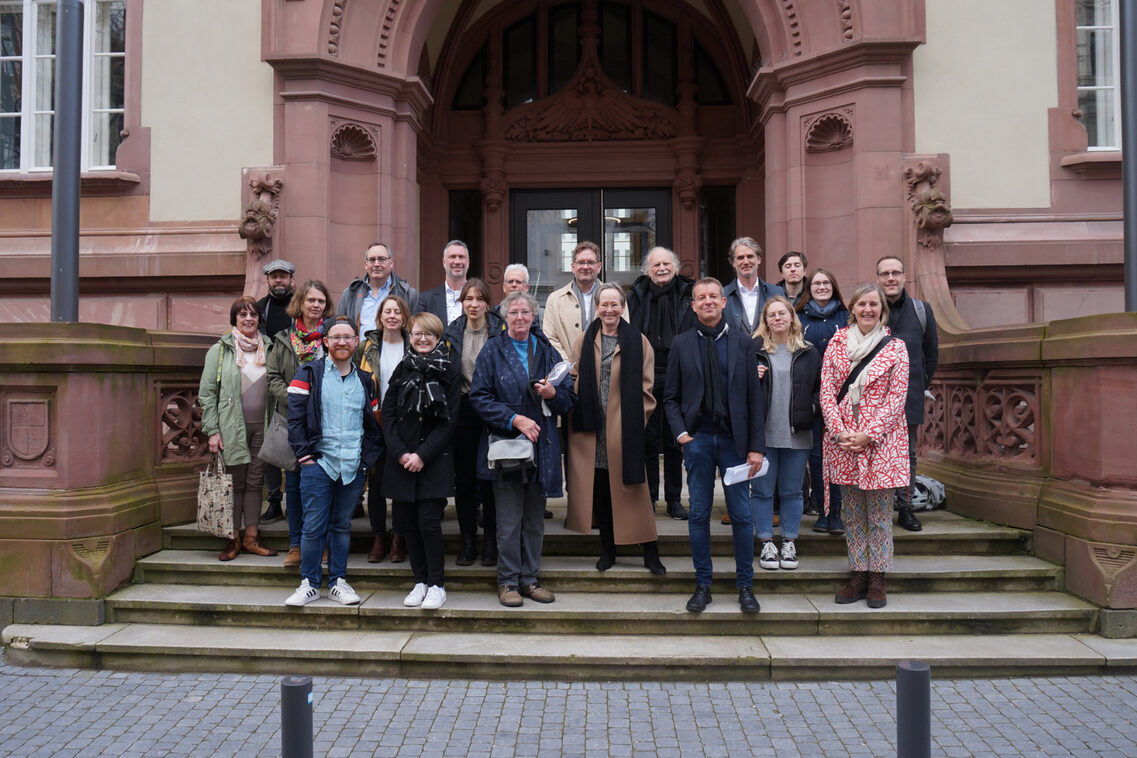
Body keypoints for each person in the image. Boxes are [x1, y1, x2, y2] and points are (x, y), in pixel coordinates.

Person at [664, 278, 766, 614]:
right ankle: (703, 584)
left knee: (740, 514)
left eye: (713, 296)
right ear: (693, 305)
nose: (707, 301)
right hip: (699, 441)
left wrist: (756, 447)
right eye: (700, 298)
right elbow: (671, 398)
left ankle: (745, 586)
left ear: (724, 302)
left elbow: (755, 399)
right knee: (698, 514)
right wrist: (682, 436)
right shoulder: (681, 344)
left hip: (736, 444)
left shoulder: (743, 343)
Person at [470, 291, 576, 607]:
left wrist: (552, 392)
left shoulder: (545, 350)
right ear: (505, 318)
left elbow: (568, 400)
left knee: (534, 520)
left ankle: (530, 580)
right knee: (508, 520)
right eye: (514, 312)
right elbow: (479, 398)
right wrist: (514, 419)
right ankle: (507, 582)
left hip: (541, 447)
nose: (520, 318)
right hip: (507, 448)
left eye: (525, 313)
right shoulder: (492, 351)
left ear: (533, 317)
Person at [820, 284, 910, 609]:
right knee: (854, 514)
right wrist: (840, 431)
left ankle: (878, 579)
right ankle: (858, 574)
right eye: (862, 304)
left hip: (880, 445)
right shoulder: (836, 342)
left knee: (881, 516)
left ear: (881, 309)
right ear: (853, 308)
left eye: (874, 304)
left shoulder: (896, 348)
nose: (868, 309)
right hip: (843, 443)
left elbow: (897, 399)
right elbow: (827, 390)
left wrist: (868, 434)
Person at [566, 283, 665, 575]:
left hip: (625, 430)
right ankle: (608, 548)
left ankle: (650, 551)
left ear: (623, 307)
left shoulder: (639, 341)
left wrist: (633, 422)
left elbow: (648, 389)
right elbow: (573, 377)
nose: (609, 310)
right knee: (602, 490)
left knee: (635, 491)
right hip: (591, 430)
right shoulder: (584, 339)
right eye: (603, 304)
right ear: (596, 307)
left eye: (615, 304)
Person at [284, 317, 383, 607]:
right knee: (313, 526)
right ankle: (310, 583)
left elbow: (373, 424)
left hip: (352, 465)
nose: (342, 342)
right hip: (319, 464)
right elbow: (295, 419)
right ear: (325, 341)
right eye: (336, 337)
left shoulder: (365, 380)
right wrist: (304, 457)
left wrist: (366, 461)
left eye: (348, 337)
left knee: (341, 525)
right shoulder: (309, 373)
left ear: (356, 342)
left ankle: (338, 581)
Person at [382, 312, 461, 611]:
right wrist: (401, 453)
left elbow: (449, 421)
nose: (422, 339)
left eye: (429, 334)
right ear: (410, 336)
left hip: (433, 459)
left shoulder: (448, 370)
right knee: (407, 525)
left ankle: (437, 584)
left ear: (438, 337)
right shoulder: (403, 367)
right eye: (417, 334)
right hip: (401, 460)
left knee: (429, 523)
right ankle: (419, 581)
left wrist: (421, 455)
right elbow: (388, 414)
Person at [198, 296, 279, 561]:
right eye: (242, 314)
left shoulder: (270, 347)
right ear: (234, 319)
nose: (248, 319)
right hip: (231, 428)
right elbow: (208, 394)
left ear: (259, 319)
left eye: (253, 314)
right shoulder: (220, 351)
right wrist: (213, 431)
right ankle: (231, 539)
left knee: (256, 482)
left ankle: (251, 538)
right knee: (235, 483)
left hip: (262, 428)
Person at [266, 280, 334, 567]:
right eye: (310, 300)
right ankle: (296, 545)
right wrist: (297, 399)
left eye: (320, 301)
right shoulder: (283, 339)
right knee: (293, 486)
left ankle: (323, 545)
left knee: (323, 486)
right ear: (300, 304)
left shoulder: (332, 336)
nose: (315, 305)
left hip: (325, 422)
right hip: (292, 421)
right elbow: (272, 378)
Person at [752, 296, 821, 572]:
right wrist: (750, 377)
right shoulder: (754, 350)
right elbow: (736, 388)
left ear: (792, 317)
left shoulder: (808, 351)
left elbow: (820, 387)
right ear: (765, 321)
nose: (778, 318)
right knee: (762, 491)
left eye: (783, 313)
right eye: (772, 315)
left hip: (797, 433)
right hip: (763, 435)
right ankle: (766, 542)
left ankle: (789, 540)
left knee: (793, 492)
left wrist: (812, 408)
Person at [626, 246, 694, 520]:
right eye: (656, 265)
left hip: (680, 376)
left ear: (675, 267)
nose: (662, 268)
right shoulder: (635, 296)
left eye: (667, 263)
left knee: (675, 440)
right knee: (648, 441)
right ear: (647, 270)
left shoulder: (690, 294)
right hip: (646, 376)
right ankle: (650, 498)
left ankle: (675, 500)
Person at [443, 279, 504, 566]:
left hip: (492, 409)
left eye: (480, 299)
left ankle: (491, 540)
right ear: (461, 302)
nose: (474, 304)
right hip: (463, 409)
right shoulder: (452, 331)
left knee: (491, 480)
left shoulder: (500, 330)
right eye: (468, 298)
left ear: (488, 303)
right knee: (465, 480)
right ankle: (468, 540)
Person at [875, 256, 939, 532]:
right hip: (873, 398)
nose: (891, 278)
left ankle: (905, 506)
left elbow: (931, 353)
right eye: (885, 273)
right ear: (878, 279)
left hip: (909, 395)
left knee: (907, 453)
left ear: (903, 277)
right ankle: (877, 507)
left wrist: (920, 383)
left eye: (895, 273)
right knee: (875, 450)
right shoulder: (870, 308)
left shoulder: (921, 310)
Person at [356, 294, 411, 563]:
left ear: (404, 317)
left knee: (400, 480)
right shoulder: (366, 348)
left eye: (397, 312)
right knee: (376, 482)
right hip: (375, 421)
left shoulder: (413, 345)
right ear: (379, 317)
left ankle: (399, 536)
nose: (392, 316)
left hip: (404, 422)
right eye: (387, 311)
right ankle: (379, 536)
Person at [797, 268, 850, 534]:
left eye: (826, 282)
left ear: (834, 286)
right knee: (816, 457)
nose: (821, 287)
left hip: (842, 398)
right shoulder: (799, 316)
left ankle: (837, 513)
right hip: (811, 395)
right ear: (809, 287)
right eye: (816, 283)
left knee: (838, 455)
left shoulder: (846, 316)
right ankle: (823, 510)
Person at [255, 259, 295, 524]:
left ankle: (295, 501)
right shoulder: (259, 309)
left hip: (296, 381)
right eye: (274, 277)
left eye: (283, 276)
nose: (278, 281)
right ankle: (273, 502)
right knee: (272, 445)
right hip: (268, 382)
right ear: (267, 280)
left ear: (292, 279)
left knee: (296, 446)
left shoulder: (300, 306)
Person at [337, 242, 420, 331]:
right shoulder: (350, 294)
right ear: (366, 264)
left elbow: (416, 329)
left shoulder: (408, 294)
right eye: (372, 260)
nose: (376, 264)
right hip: (359, 345)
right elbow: (339, 328)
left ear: (391, 263)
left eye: (381, 259)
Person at [543, 240, 603, 361]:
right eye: (581, 262)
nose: (585, 267)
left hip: (605, 372)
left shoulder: (615, 297)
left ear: (599, 266)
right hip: (568, 373)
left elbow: (622, 333)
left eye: (591, 262)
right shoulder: (555, 300)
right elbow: (550, 337)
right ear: (573, 267)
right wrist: (568, 365)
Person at [722, 237, 784, 335]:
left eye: (750, 256)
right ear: (733, 263)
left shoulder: (776, 292)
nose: (746, 262)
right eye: (740, 258)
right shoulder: (722, 295)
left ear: (758, 259)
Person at [416, 240, 470, 325]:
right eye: (452, 257)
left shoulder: (480, 298)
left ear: (468, 262)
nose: (457, 262)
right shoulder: (425, 299)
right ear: (444, 263)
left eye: (461, 257)